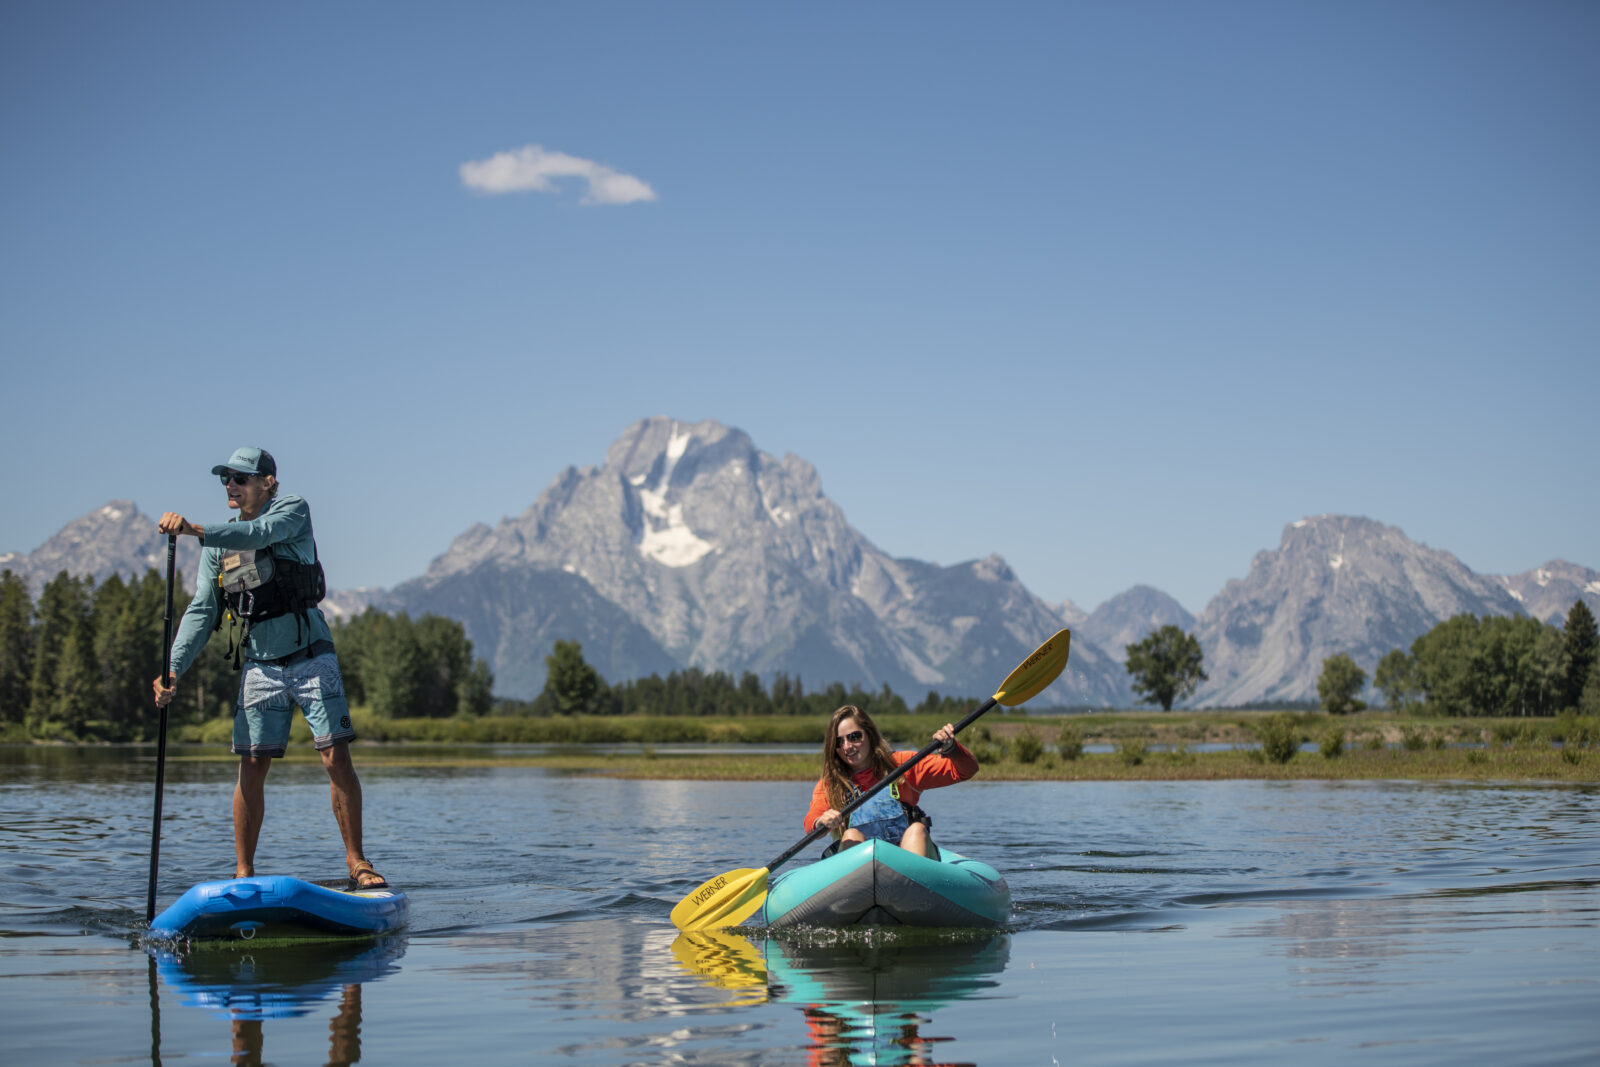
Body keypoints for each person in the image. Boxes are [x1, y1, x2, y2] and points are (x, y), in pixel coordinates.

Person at [150, 446, 387, 890]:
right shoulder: (216, 549)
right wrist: (173, 668)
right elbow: (202, 612)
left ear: (267, 483)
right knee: (252, 764)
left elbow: (259, 534)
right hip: (260, 665)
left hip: (312, 655)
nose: (231, 485)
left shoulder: (292, 510)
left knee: (335, 756)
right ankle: (244, 873)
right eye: (225, 479)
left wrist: (196, 529)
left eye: (241, 478)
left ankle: (357, 862)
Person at [804, 704, 979, 859]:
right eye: (839, 742)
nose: (847, 746)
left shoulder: (904, 764)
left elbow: (965, 771)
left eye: (854, 737)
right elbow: (811, 823)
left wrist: (952, 749)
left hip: (909, 859)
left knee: (917, 830)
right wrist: (821, 821)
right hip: (861, 873)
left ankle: (912, 884)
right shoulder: (831, 784)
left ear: (870, 735)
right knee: (851, 834)